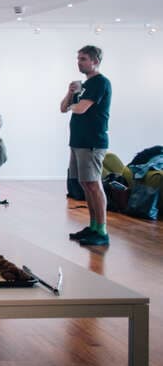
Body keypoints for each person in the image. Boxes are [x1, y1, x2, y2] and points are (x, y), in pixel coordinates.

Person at [60, 45, 112, 246]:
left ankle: (102, 230)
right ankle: (93, 226)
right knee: (85, 184)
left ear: (95, 61)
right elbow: (63, 108)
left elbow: (80, 109)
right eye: (78, 58)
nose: (79, 62)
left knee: (94, 184)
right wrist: (70, 92)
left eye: (83, 59)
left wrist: (74, 104)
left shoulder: (100, 83)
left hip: (92, 142)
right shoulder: (85, 85)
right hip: (78, 142)